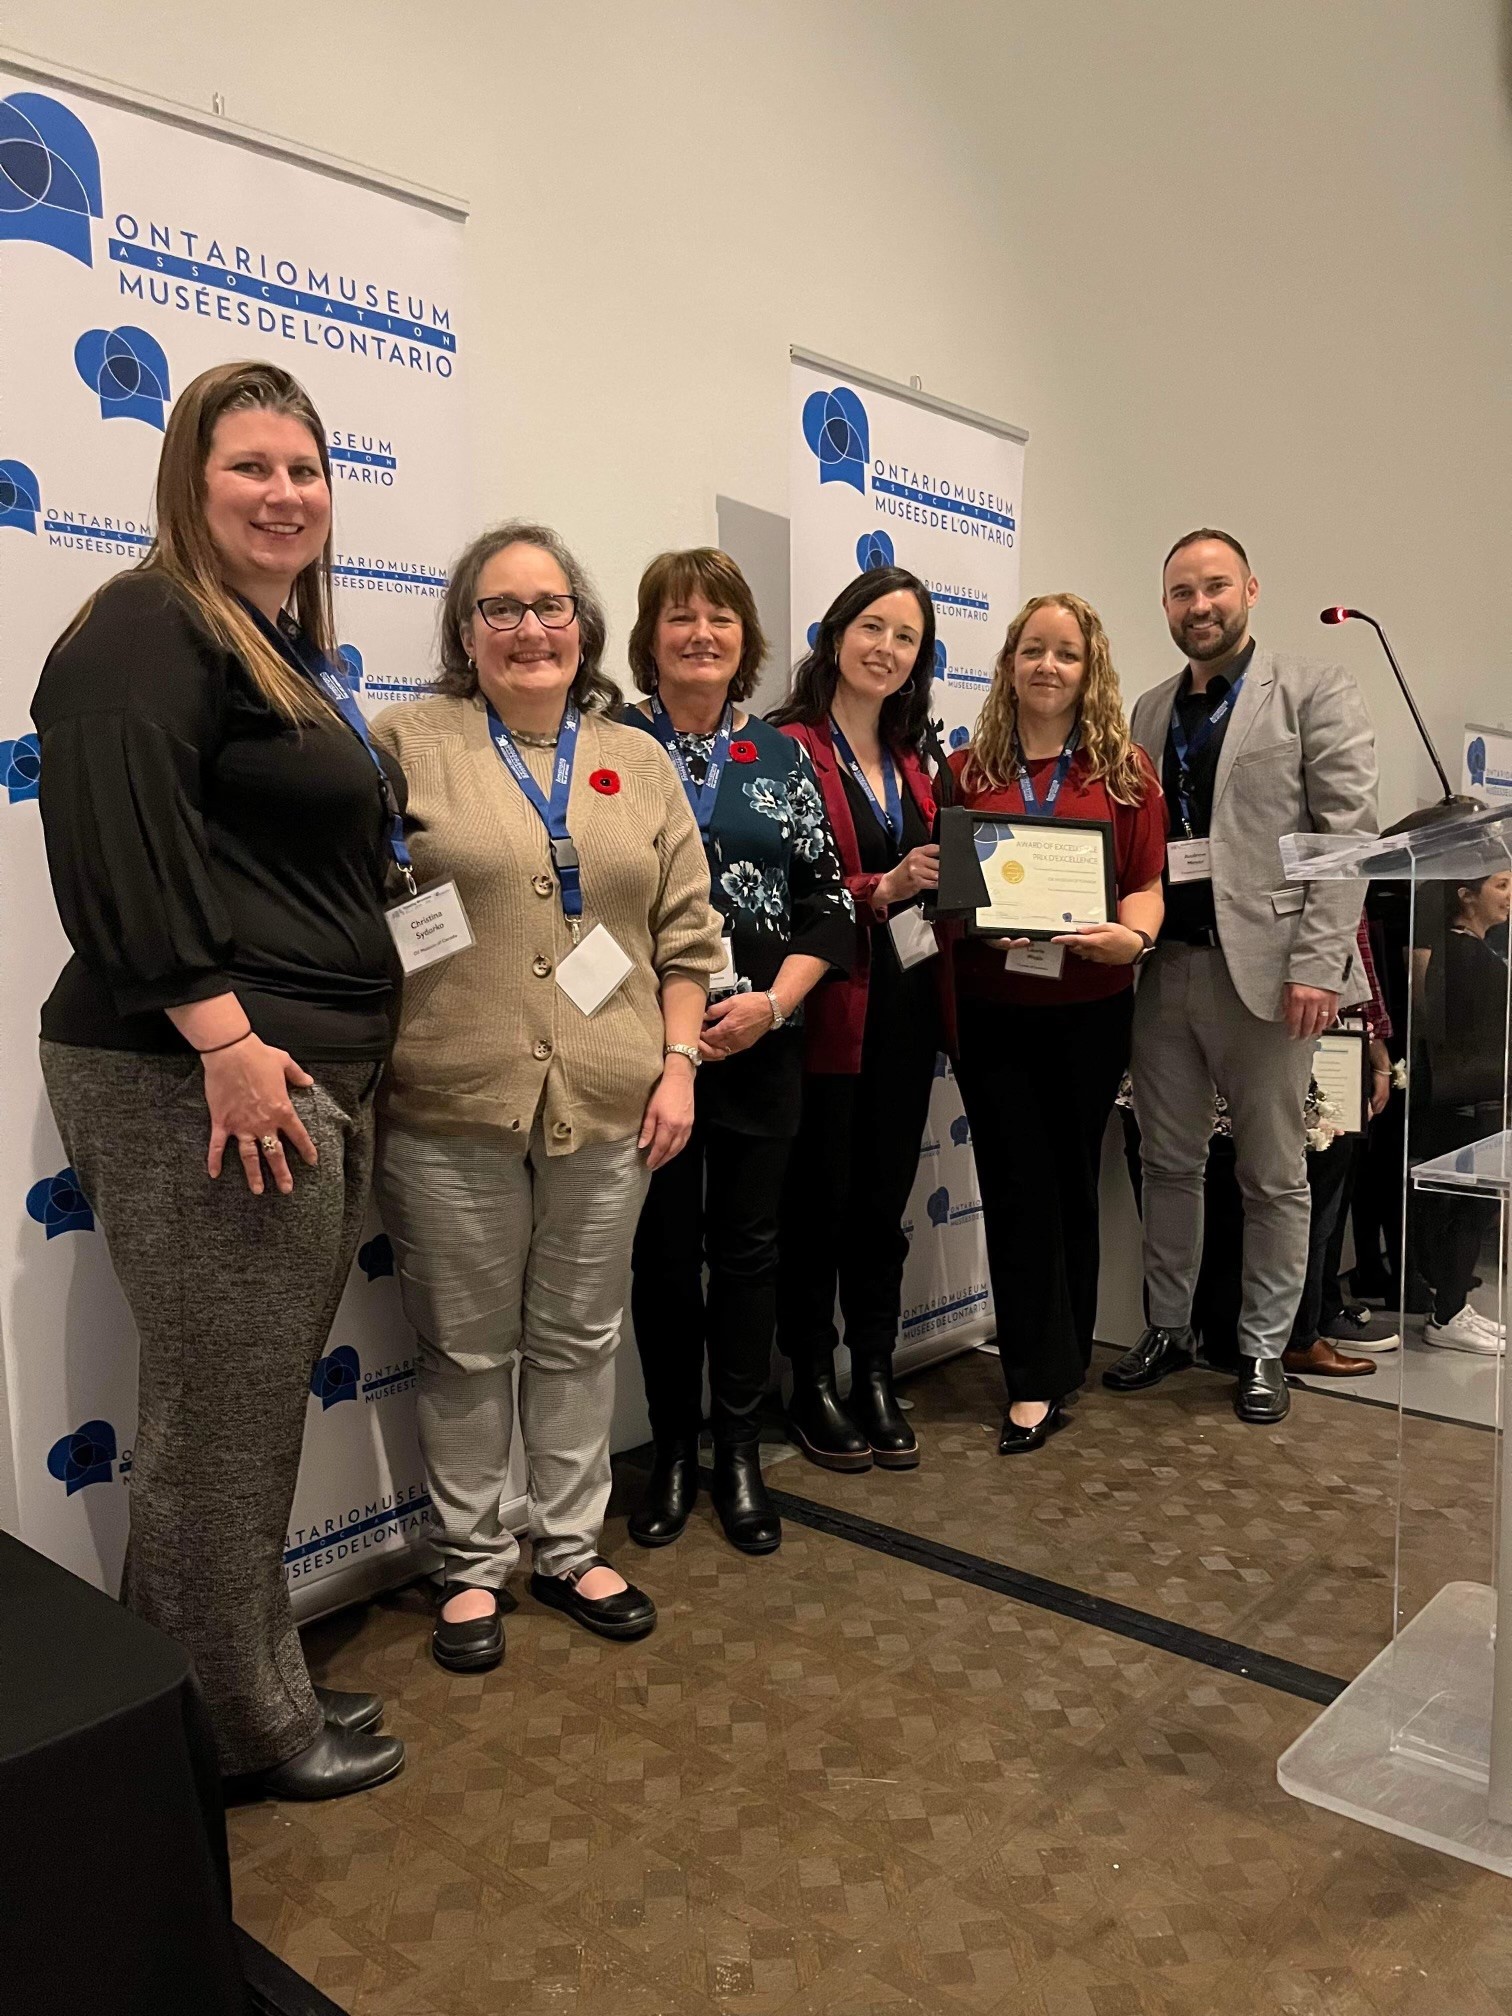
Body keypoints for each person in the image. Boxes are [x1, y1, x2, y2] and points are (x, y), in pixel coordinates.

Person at [33, 360, 406, 1799]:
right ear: (190, 479)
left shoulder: (262, 643)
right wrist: (229, 1045)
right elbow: (116, 853)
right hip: (202, 1078)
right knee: (223, 1416)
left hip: (275, 1071)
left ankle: (229, 1696)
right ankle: (232, 1739)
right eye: (251, 466)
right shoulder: (146, 625)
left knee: (237, 1411)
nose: (285, 494)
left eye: (305, 471)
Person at [370, 521, 723, 1674]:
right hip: (450, 1097)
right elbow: (358, 909)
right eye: (502, 608)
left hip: (612, 1099)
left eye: (550, 606)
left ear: (585, 625)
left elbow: (685, 932)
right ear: (464, 632)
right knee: (467, 1351)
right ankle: (471, 1563)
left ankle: (569, 1548)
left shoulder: (638, 757)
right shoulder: (408, 744)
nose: (530, 629)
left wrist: (677, 1063)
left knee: (577, 1337)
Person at [1103, 529, 1378, 1424]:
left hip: (1267, 978)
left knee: (1273, 1175)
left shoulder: (1313, 692)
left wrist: (1319, 964)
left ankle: (1264, 1349)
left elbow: (1345, 840)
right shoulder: (1146, 711)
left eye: (1215, 587)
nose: (1199, 606)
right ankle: (1170, 1328)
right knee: (1169, 1163)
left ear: (1251, 589)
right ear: (1167, 606)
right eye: (1182, 593)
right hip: (1163, 969)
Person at [622, 550, 854, 1553]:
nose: (700, 634)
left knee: (751, 1252)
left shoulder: (782, 756)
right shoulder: (610, 746)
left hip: (759, 1040)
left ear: (744, 640)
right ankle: (673, 1450)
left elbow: (832, 904)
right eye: (679, 618)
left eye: (719, 618)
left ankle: (740, 1453)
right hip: (643, 1053)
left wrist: (773, 1006)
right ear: (651, 637)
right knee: (665, 1259)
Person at [951, 594, 1165, 1449]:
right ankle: (1032, 1378)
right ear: (1009, 662)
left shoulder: (1124, 773)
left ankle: (1065, 1356)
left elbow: (1148, 880)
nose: (1048, 666)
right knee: (1014, 1184)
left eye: (1066, 654)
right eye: (1033, 650)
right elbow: (952, 890)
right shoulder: (968, 770)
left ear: (1091, 669)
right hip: (993, 1009)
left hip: (1089, 1007)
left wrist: (1134, 935)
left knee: (1075, 1178)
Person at [770, 566, 954, 1471]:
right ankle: (810, 1380)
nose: (886, 649)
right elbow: (768, 896)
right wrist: (875, 890)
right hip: (825, 1014)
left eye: (906, 638)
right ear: (837, 632)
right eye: (872, 627)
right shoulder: (782, 748)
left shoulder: (918, 759)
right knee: (820, 1200)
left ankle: (874, 1370)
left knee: (883, 1200)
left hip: (908, 1010)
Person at [1415, 870, 1511, 1353]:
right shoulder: (1466, 955)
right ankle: (1447, 1314)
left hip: (1473, 1096)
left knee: (1474, 1207)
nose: (1510, 896)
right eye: (1501, 885)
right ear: (1466, 895)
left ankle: (1452, 1307)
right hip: (1470, 1099)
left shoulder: (1474, 951)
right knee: (1470, 1207)